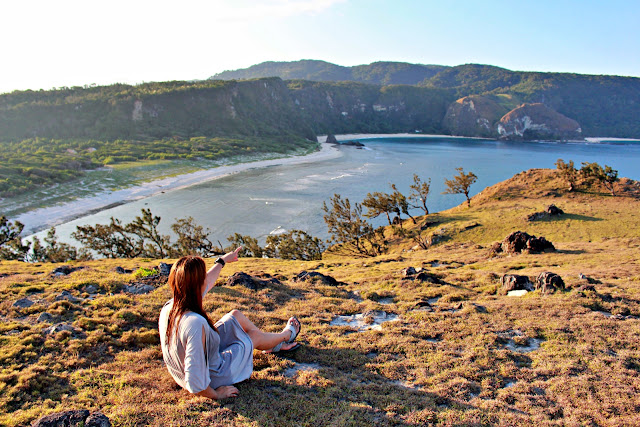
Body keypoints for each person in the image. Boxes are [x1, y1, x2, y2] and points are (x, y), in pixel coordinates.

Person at [158, 249, 301, 400]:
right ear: (197, 284)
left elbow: (209, 280)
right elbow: (195, 380)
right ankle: (286, 336)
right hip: (214, 376)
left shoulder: (171, 305)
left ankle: (271, 345)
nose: (206, 280)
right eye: (203, 277)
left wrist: (222, 261)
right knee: (253, 337)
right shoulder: (194, 323)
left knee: (235, 315)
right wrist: (216, 394)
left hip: (200, 363)